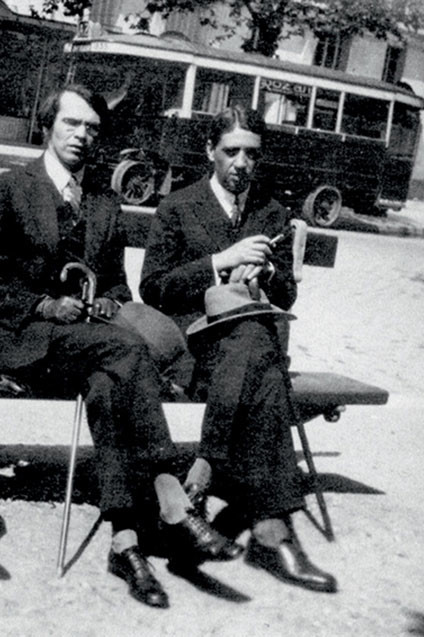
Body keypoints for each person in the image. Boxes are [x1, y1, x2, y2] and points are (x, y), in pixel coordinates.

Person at [0, 84, 240, 609]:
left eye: (92, 128)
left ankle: (124, 540)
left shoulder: (105, 202)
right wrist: (44, 306)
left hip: (91, 347)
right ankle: (170, 494)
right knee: (124, 355)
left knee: (108, 380)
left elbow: (115, 284)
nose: (82, 136)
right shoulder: (10, 188)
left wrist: (110, 302)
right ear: (49, 125)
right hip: (23, 340)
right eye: (72, 124)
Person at [140, 105, 338, 594]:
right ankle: (272, 535)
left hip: (246, 354)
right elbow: (152, 289)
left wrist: (266, 274)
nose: (241, 164)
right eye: (231, 152)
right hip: (194, 347)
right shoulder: (178, 207)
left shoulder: (271, 212)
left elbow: (286, 295)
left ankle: (208, 473)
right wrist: (219, 262)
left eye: (251, 154)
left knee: (258, 352)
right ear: (211, 152)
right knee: (264, 366)